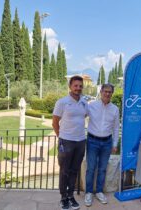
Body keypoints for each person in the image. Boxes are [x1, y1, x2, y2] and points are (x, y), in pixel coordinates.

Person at [52, 75, 88, 210]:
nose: (78, 88)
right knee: (64, 170)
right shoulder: (62, 102)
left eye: (80, 86)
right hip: (66, 141)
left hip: (80, 142)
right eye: (75, 86)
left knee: (74, 170)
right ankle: (63, 198)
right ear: (70, 86)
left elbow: (83, 116)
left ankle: (70, 195)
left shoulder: (84, 102)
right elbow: (55, 122)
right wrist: (61, 137)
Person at [84, 84, 120, 207]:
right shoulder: (91, 106)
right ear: (101, 92)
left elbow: (116, 128)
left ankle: (99, 191)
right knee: (91, 168)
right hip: (92, 141)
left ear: (112, 93)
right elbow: (80, 117)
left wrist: (115, 144)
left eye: (110, 92)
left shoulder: (115, 109)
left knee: (103, 169)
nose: (107, 94)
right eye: (105, 91)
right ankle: (88, 192)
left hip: (107, 142)